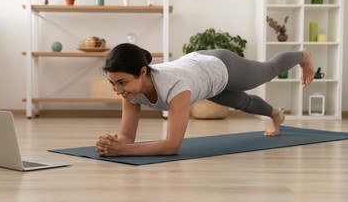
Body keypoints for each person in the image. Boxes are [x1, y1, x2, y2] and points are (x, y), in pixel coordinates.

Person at [95, 43, 314, 156]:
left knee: (268, 70)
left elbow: (172, 146)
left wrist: (123, 150)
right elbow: (126, 137)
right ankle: (276, 115)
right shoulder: (130, 93)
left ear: (142, 72)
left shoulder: (174, 88)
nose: (117, 90)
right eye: (112, 83)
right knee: (242, 103)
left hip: (219, 65)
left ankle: (303, 55)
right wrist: (112, 144)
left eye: (121, 82)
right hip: (201, 79)